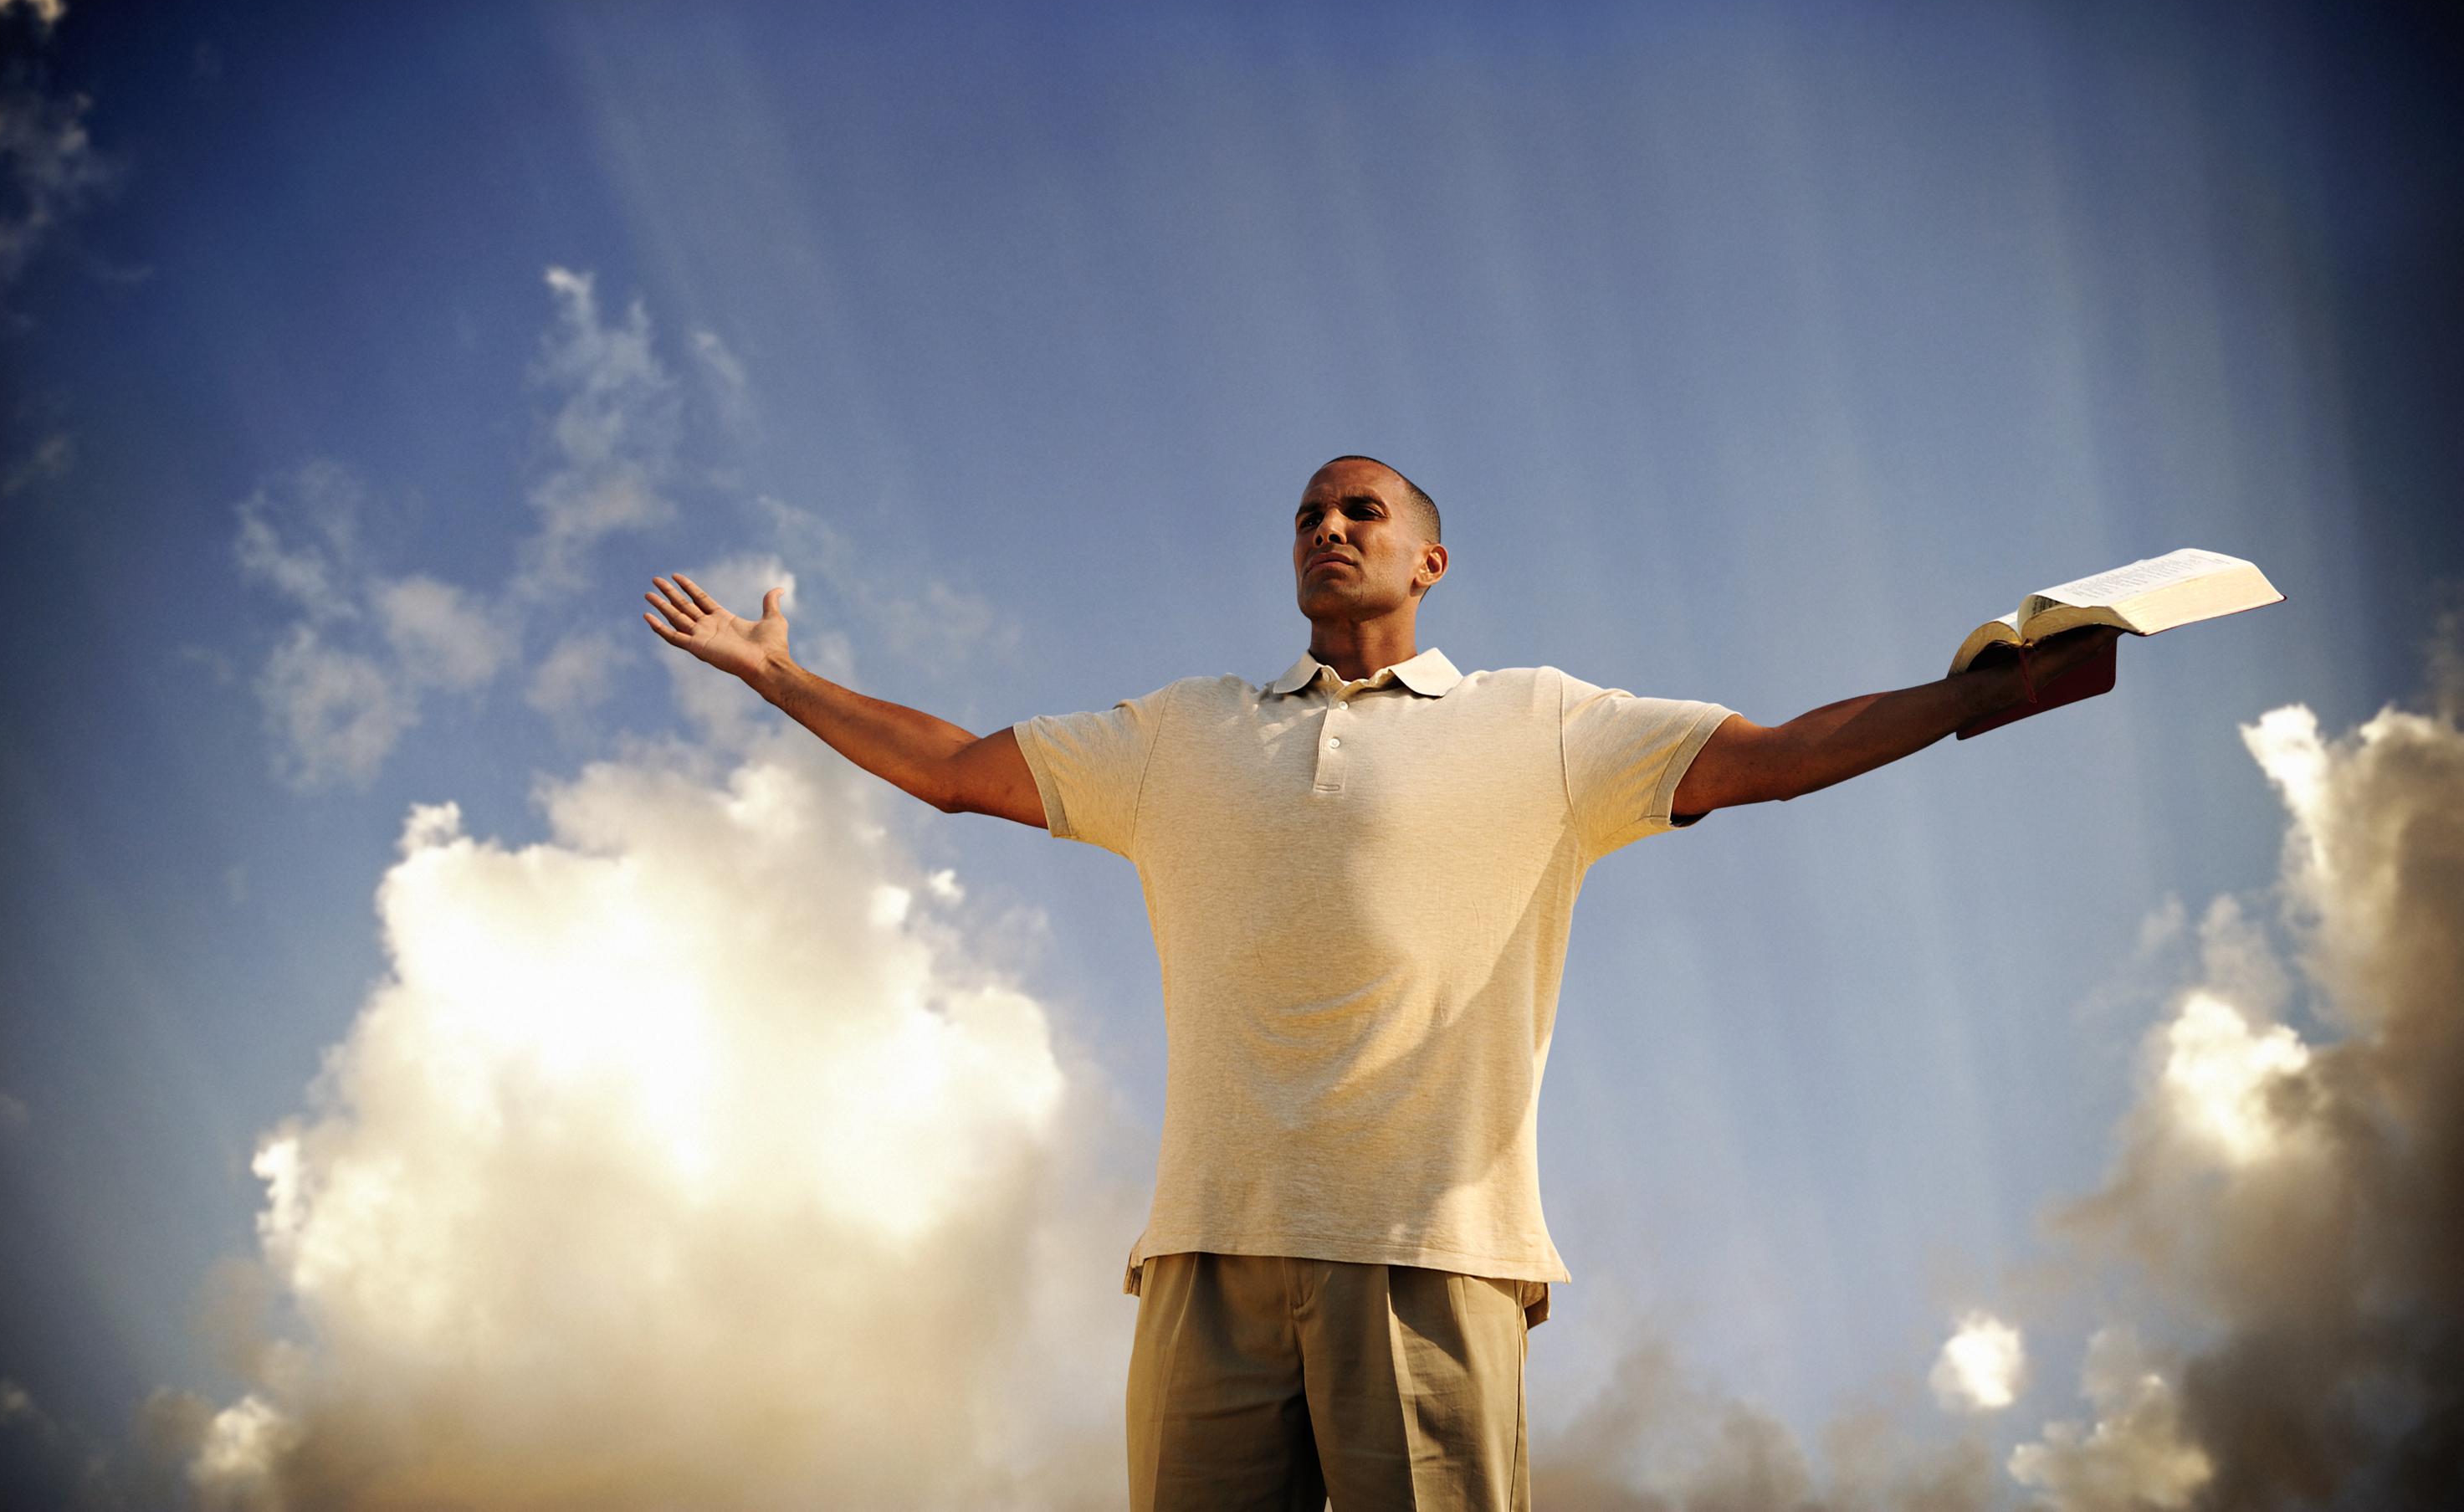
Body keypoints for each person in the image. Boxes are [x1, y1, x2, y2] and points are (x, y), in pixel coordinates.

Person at [642, 454, 2118, 1511]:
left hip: (1434, 1251)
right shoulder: (1183, 733)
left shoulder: (1544, 725)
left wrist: (1983, 693)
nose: (1327, 528)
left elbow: (1782, 757)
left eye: (1363, 510)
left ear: (1430, 560)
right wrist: (781, 678)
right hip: (1208, 1253)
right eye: (1306, 515)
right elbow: (961, 775)